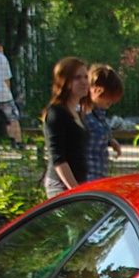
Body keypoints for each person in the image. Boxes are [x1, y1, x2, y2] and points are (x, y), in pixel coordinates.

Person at [42, 57, 90, 197]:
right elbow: (58, 158)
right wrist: (75, 191)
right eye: (77, 78)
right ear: (64, 81)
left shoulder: (77, 112)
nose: (84, 82)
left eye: (86, 77)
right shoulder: (56, 113)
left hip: (79, 184)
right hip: (62, 186)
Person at [84, 64, 124, 179]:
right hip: (85, 176)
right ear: (97, 90)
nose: (112, 101)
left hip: (98, 175)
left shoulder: (100, 114)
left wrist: (110, 140)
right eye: (109, 95)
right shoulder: (82, 114)